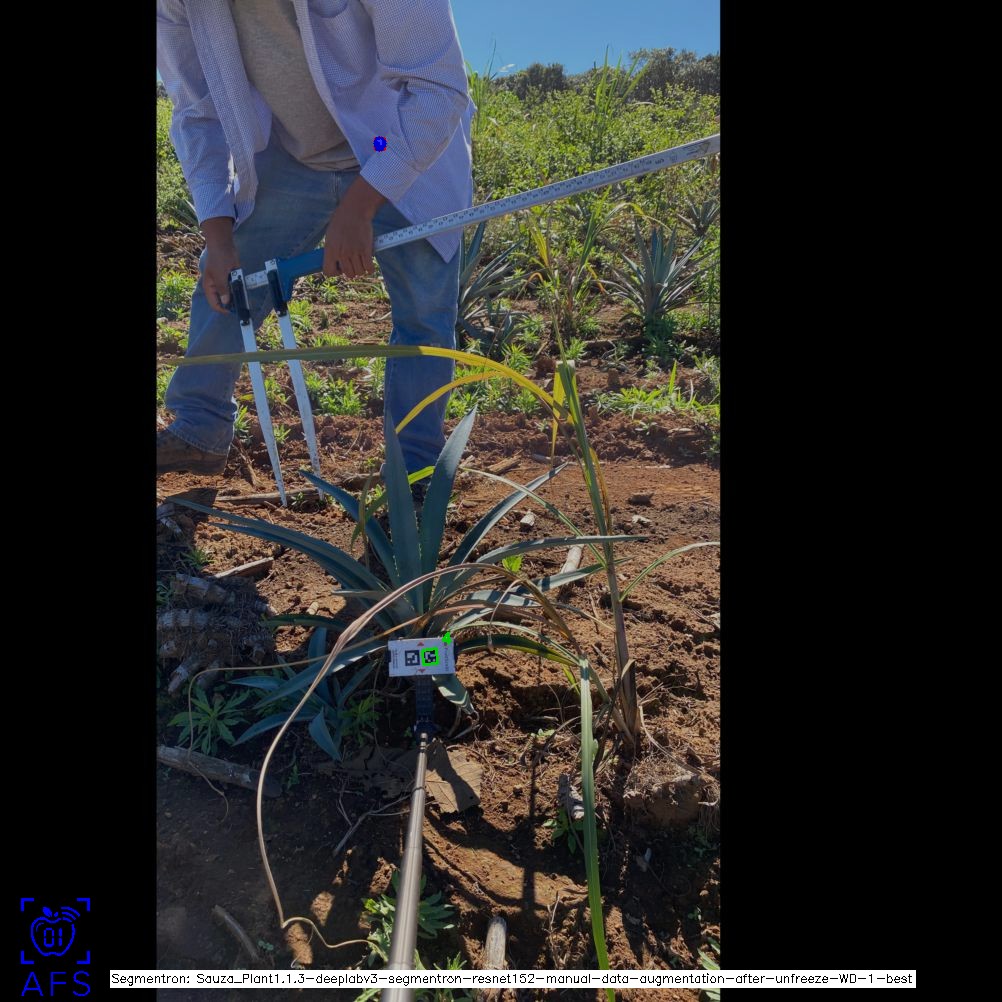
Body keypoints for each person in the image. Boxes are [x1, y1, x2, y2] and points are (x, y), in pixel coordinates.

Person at [156, 0, 473, 480]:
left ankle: (412, 473)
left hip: (388, 139)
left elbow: (437, 89)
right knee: (229, 282)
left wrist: (361, 203)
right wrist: (218, 237)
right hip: (292, 154)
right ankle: (200, 428)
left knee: (424, 314)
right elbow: (197, 113)